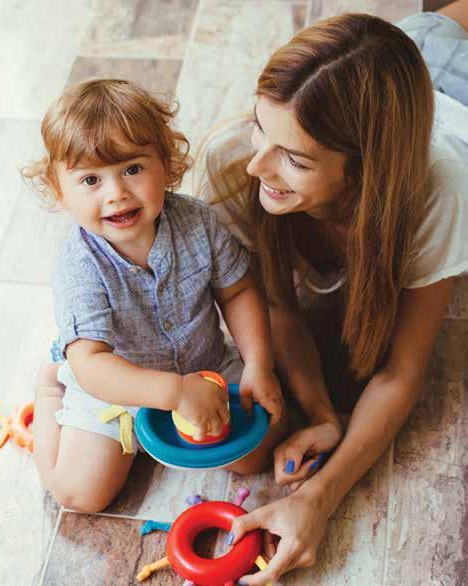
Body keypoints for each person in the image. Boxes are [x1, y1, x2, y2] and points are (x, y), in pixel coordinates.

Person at [191, 5, 468, 584]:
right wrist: (321, 414)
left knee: (443, 37)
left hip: (457, 96)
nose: (256, 165)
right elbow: (272, 300)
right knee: (428, 30)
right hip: (400, 68)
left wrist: (319, 498)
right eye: (261, 128)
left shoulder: (439, 193)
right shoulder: (230, 159)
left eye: (293, 158)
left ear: (365, 175)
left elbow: (400, 373)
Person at [22, 79, 287, 513]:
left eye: (132, 169)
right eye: (90, 179)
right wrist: (173, 393)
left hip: (206, 367)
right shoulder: (79, 266)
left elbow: (238, 290)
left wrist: (259, 363)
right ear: (59, 190)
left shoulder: (197, 222)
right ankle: (51, 388)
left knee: (260, 449)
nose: (116, 193)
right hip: (112, 390)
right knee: (80, 494)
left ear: (166, 163)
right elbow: (92, 363)